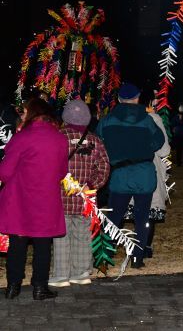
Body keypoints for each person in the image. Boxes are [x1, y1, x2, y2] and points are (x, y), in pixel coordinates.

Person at [0, 98, 68, 300]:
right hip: (46, 199)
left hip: (20, 199)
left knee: (18, 244)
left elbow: (5, 172)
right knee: (43, 246)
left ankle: (13, 287)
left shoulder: (22, 138)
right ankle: (40, 287)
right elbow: (62, 172)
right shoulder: (59, 138)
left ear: (32, 113)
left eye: (24, 111)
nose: (21, 114)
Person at [96, 83, 165, 268]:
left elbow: (99, 141)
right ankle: (137, 257)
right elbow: (159, 141)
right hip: (144, 173)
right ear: (137, 98)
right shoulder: (147, 119)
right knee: (142, 217)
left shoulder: (108, 120)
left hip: (120, 173)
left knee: (114, 217)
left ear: (119, 99)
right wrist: (143, 149)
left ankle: (106, 255)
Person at [49, 100, 110, 287]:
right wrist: (91, 184)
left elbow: (49, 165)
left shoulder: (57, 137)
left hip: (61, 196)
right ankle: (82, 272)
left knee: (61, 235)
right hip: (86, 197)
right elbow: (104, 167)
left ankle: (61, 275)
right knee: (83, 233)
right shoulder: (95, 140)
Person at [124, 99, 171, 259]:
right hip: (149, 167)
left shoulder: (121, 118)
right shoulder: (154, 119)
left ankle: (132, 244)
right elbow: (164, 150)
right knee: (149, 208)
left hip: (127, 168)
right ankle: (144, 246)